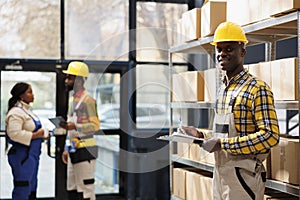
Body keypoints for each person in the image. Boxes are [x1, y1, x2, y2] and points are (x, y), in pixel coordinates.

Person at [179, 22, 280, 200]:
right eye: (219, 49)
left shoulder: (257, 89)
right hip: (220, 174)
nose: (222, 54)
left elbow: (270, 136)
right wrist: (200, 136)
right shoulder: (223, 89)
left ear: (243, 52)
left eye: (229, 48)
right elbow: (223, 134)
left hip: (244, 178)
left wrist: (223, 145)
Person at [60, 61, 100, 200]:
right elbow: (71, 128)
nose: (67, 81)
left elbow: (95, 126)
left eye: (70, 78)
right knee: (72, 188)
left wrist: (76, 127)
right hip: (73, 149)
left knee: (86, 190)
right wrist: (66, 148)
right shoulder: (73, 100)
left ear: (79, 80)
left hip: (86, 151)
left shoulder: (88, 100)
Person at [5, 82, 49, 200]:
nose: (33, 95)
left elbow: (36, 130)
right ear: (21, 96)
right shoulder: (16, 112)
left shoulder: (28, 112)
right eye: (29, 92)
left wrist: (43, 134)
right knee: (22, 188)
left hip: (32, 155)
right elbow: (14, 134)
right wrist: (35, 135)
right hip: (21, 156)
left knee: (31, 188)